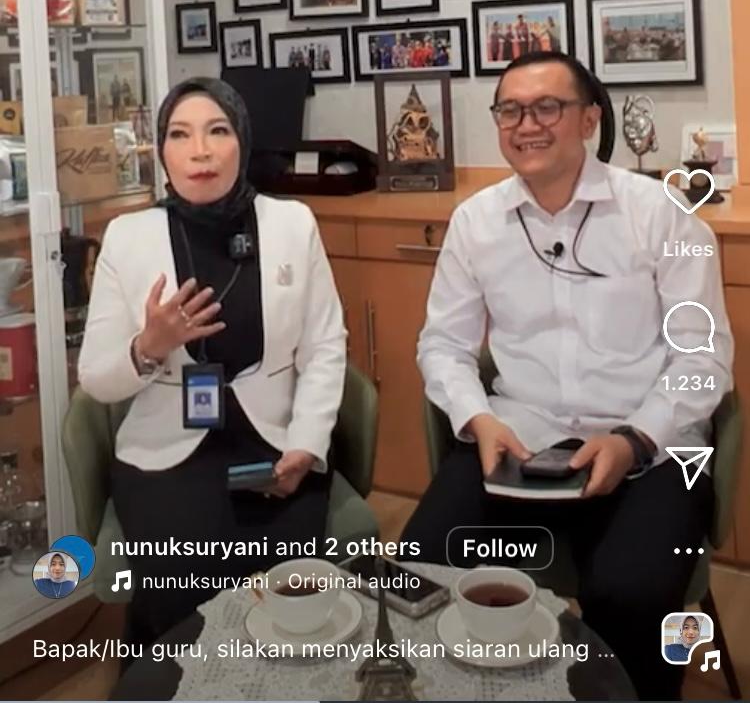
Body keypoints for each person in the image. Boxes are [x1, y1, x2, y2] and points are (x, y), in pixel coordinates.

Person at [400, 51, 732, 701]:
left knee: (629, 593)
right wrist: (478, 419)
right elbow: (442, 344)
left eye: (547, 107)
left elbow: (703, 356)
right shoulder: (475, 221)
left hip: (649, 449)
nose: (527, 124)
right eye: (510, 110)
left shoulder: (660, 213)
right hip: (520, 441)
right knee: (421, 568)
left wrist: (634, 439)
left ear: (588, 119)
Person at [78, 78, 346, 647]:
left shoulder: (293, 224)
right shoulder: (127, 237)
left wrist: (306, 445)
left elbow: (325, 346)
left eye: (217, 131)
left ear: (241, 142)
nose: (199, 151)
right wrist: (148, 345)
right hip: (165, 452)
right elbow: (96, 378)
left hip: (273, 443)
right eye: (180, 135)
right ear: (162, 152)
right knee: (184, 594)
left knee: (289, 602)